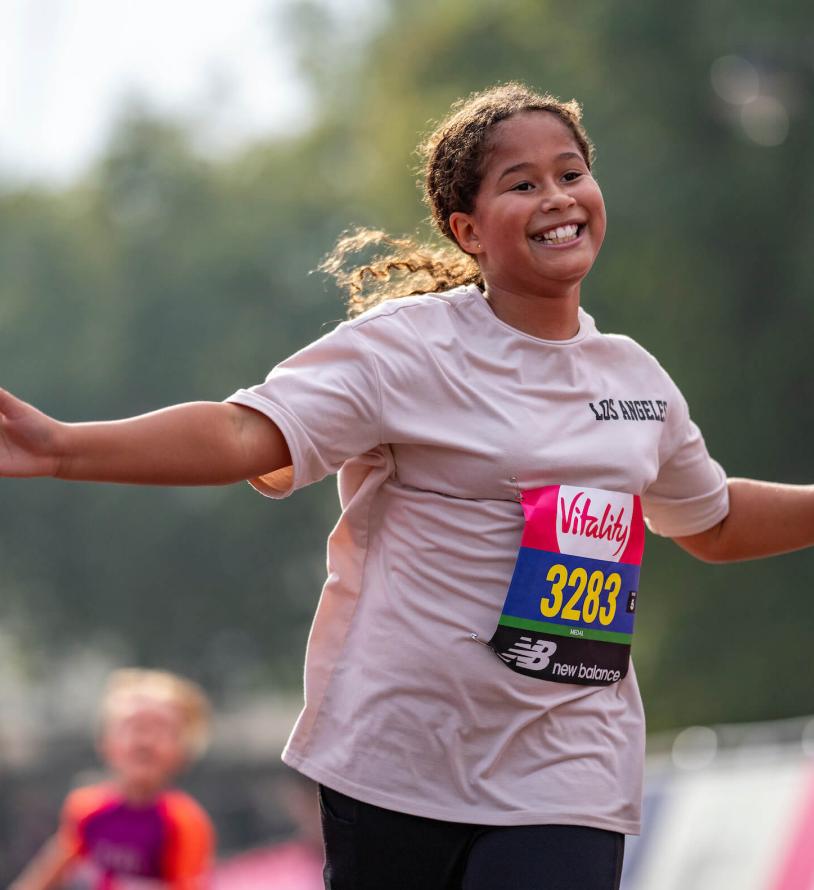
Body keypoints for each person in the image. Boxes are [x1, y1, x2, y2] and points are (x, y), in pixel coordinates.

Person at [1, 82, 812, 890]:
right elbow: (247, 432)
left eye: (571, 174)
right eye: (522, 184)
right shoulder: (408, 351)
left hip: (570, 771)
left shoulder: (637, 383)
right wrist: (63, 447)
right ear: (467, 231)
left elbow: (714, 521)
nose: (557, 198)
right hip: (398, 762)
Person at [11, 669, 215, 890]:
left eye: (160, 728)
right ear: (104, 743)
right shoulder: (86, 808)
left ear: (183, 753)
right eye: (132, 726)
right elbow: (49, 872)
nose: (144, 740)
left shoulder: (183, 822)